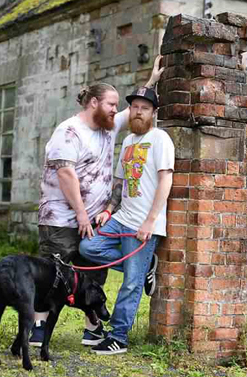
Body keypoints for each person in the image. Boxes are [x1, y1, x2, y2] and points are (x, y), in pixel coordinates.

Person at [32, 56, 164, 347]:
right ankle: (38, 328)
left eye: (117, 106)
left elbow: (136, 109)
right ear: (93, 103)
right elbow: (66, 175)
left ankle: (92, 329)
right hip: (61, 220)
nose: (117, 111)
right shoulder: (69, 131)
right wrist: (81, 215)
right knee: (51, 274)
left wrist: (152, 81)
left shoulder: (108, 126)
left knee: (91, 276)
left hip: (93, 220)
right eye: (111, 104)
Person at [78, 84, 175, 355]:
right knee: (88, 247)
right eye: (134, 107)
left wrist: (150, 221)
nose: (138, 112)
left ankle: (118, 336)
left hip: (142, 225)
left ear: (153, 112)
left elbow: (165, 181)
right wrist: (109, 209)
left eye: (144, 108)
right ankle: (145, 266)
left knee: (131, 283)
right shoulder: (129, 142)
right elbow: (120, 183)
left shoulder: (160, 139)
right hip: (121, 218)